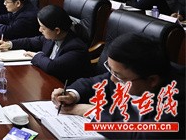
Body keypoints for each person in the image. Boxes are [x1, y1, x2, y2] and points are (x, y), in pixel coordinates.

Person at [52, 33, 184, 140]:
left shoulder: (177, 100)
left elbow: (141, 136)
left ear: (152, 80)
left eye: (119, 76)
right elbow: (91, 83)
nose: (112, 79)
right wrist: (71, 94)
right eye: (111, 71)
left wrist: (91, 111)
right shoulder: (126, 74)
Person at [0, 5, 89, 83]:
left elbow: (52, 67)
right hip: (46, 79)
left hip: (62, 88)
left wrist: (37, 55)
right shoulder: (53, 37)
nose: (40, 30)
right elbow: (30, 41)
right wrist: (10, 44)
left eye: (43, 28)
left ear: (57, 30)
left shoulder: (76, 48)